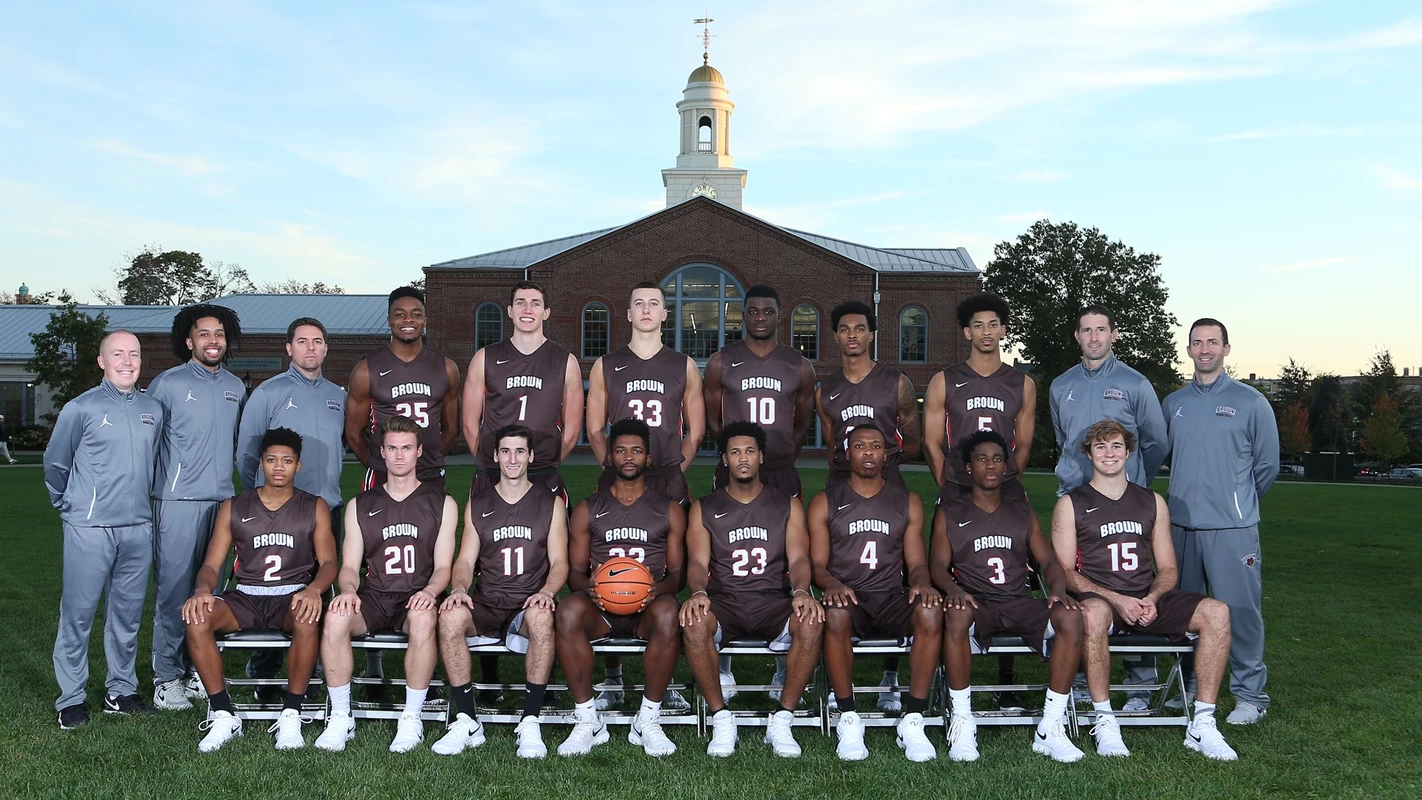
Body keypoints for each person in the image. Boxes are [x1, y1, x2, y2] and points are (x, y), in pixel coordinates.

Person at [1050, 420, 1237, 760]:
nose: (1110, 454)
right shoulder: (1071, 503)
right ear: (1089, 454)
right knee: (1091, 615)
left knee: (1217, 612)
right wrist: (1117, 599)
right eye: (1101, 447)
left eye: (1117, 446)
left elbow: (1167, 568)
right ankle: (1105, 720)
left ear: (1129, 452)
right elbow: (1063, 572)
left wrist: (1152, 597)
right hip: (1102, 600)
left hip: (1146, 598)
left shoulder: (1153, 501)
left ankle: (1203, 724)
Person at [929, 430, 1084, 764]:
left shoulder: (1021, 511)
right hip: (976, 601)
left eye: (997, 459)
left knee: (1071, 616)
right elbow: (937, 567)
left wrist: (1058, 592)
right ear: (968, 467)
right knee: (954, 614)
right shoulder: (950, 511)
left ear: (1005, 467)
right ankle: (962, 719)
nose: (990, 465)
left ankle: (1052, 725)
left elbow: (1048, 561)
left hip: (1017, 600)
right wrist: (955, 590)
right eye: (982, 459)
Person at [180, 428, 338, 752]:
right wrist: (201, 590)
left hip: (292, 594)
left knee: (307, 620)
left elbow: (330, 564)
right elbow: (212, 565)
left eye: (287, 460)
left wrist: (314, 591)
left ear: (299, 465)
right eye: (271, 460)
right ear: (261, 464)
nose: (278, 467)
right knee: (197, 619)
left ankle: (292, 712)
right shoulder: (234, 506)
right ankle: (224, 714)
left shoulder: (314, 506)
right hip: (246, 595)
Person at [461, 281, 581, 700]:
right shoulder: (485, 357)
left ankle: (540, 674)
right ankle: (490, 675)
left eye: (536, 303)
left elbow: (573, 427)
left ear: (547, 312)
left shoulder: (564, 360)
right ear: (509, 311)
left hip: (543, 472)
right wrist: (493, 464)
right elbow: (469, 420)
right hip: (491, 472)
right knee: (483, 565)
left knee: (544, 561)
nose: (528, 309)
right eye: (520, 303)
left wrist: (543, 462)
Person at [314, 415, 459, 753]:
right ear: (381, 452)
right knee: (335, 616)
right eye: (392, 448)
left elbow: (443, 568)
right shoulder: (360, 505)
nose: (398, 455)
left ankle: (411, 718)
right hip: (375, 597)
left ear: (419, 451)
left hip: (417, 596)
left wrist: (430, 592)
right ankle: (341, 716)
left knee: (424, 618)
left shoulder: (442, 503)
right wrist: (348, 591)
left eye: (406, 448)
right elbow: (349, 566)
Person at [680, 422, 825, 759]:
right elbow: (698, 563)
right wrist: (699, 592)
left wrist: (802, 591)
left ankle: (783, 718)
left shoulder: (787, 505)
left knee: (812, 620)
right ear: (724, 460)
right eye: (734, 452)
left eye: (749, 451)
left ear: (761, 457)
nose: (742, 458)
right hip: (725, 602)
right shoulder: (704, 507)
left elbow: (800, 558)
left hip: (772, 602)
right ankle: (720, 717)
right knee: (693, 621)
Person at [1050, 304, 1169, 710]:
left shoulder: (1135, 383)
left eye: (1102, 329)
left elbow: (1155, 442)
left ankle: (1139, 681)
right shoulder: (1060, 384)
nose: (1095, 337)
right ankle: (1082, 677)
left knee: (1133, 583)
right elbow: (1065, 439)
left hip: (1125, 502)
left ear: (1114, 334)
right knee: (1082, 587)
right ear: (1078, 337)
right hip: (1077, 505)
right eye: (1087, 330)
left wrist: (1136, 485)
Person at [921, 292, 1037, 710]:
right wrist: (948, 486)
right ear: (966, 332)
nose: (987, 332)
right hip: (957, 493)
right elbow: (932, 443)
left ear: (1003, 329)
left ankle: (1007, 681)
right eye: (978, 326)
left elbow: (1023, 443)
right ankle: (948, 680)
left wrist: (1007, 480)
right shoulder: (945, 380)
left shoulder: (1021, 382)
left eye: (994, 324)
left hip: (1003, 494)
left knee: (1011, 578)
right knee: (945, 578)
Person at [44, 330, 164, 729]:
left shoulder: (153, 409)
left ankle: (120, 690)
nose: (127, 361)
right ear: (102, 361)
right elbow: (56, 463)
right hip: (90, 528)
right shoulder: (81, 408)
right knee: (78, 615)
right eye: (118, 354)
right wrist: (69, 505)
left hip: (137, 528)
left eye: (134, 354)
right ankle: (71, 697)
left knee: (126, 615)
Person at [1163, 318, 1279, 725]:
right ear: (1190, 349)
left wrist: (1236, 504)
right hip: (1181, 527)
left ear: (1227, 349)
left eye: (1213, 341)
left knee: (1240, 611)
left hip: (1232, 529)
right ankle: (1190, 687)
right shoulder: (1174, 403)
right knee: (1184, 614)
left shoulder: (1251, 402)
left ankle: (1250, 695)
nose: (1205, 348)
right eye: (1197, 342)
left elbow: (1267, 466)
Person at [344, 287, 461, 691]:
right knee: (373, 559)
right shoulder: (367, 369)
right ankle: (373, 655)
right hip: (384, 474)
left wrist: (424, 461)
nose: (407, 319)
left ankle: (430, 644)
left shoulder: (445, 367)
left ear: (425, 319)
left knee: (427, 557)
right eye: (399, 313)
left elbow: (450, 426)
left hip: (427, 475)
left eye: (415, 313)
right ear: (389, 320)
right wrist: (383, 465)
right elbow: (354, 432)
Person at [702, 284, 816, 697]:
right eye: (754, 311)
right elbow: (715, 420)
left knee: (784, 558)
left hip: (781, 469)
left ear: (779, 315)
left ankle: (786, 662)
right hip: (733, 467)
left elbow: (802, 420)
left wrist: (778, 453)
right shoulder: (721, 362)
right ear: (743, 315)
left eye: (769, 311)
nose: (761, 317)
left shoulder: (799, 365)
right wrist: (736, 448)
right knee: (724, 554)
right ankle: (725, 662)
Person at [431, 425, 568, 759]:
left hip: (528, 601)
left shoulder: (550, 503)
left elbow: (561, 562)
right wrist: (459, 588)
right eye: (505, 451)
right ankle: (466, 718)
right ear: (495, 455)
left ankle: (531, 720)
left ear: (531, 456)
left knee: (540, 616)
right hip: (488, 600)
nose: (512, 458)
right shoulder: (479, 502)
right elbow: (464, 560)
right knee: (449, 617)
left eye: (520, 451)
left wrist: (548, 591)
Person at [814, 299, 922, 712]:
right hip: (841, 489)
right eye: (845, 329)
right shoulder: (826, 390)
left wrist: (882, 462)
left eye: (860, 328)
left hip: (887, 485)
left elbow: (910, 440)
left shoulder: (896, 383)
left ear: (871, 334)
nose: (853, 335)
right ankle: (838, 681)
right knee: (843, 571)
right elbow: (830, 446)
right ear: (837, 336)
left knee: (890, 576)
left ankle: (891, 675)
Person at [809, 424, 941, 762]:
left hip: (890, 596)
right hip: (849, 599)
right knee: (835, 615)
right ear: (846, 453)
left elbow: (916, 564)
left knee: (929, 611)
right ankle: (849, 718)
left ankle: (913, 719)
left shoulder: (907, 500)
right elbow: (817, 566)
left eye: (876, 446)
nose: (868, 453)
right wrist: (833, 585)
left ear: (887, 453)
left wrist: (922, 582)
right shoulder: (825, 501)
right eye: (860, 446)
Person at [556, 419, 686, 758]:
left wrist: (659, 589)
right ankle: (587, 720)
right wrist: (591, 587)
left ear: (649, 458)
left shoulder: (670, 509)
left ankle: (648, 719)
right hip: (602, 610)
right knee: (568, 610)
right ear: (609, 458)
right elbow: (573, 573)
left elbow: (679, 576)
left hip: (647, 610)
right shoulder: (587, 510)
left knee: (670, 612)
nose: (628, 457)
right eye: (620, 450)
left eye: (636, 451)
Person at [235, 317, 346, 692]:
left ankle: (312, 669)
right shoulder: (268, 392)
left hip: (325, 509)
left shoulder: (338, 395)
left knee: (320, 589)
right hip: (277, 510)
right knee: (272, 586)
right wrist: (264, 498)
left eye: (317, 341)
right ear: (289, 348)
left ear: (326, 348)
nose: (310, 348)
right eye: (302, 342)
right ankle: (263, 668)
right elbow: (248, 454)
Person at [147, 304, 247, 712]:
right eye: (204, 334)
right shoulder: (167, 384)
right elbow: (147, 445)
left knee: (208, 592)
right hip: (176, 502)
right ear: (189, 341)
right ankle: (165, 677)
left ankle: (195, 674)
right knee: (174, 592)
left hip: (221, 502)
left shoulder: (236, 388)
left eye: (219, 334)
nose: (213, 340)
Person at [586, 281, 704, 504]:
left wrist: (676, 470)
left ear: (664, 314)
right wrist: (614, 467)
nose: (646, 310)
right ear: (629, 315)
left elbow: (696, 432)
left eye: (653, 304)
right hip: (619, 477)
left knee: (673, 539)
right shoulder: (605, 365)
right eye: (639, 304)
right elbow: (594, 429)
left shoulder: (685, 366)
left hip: (667, 475)